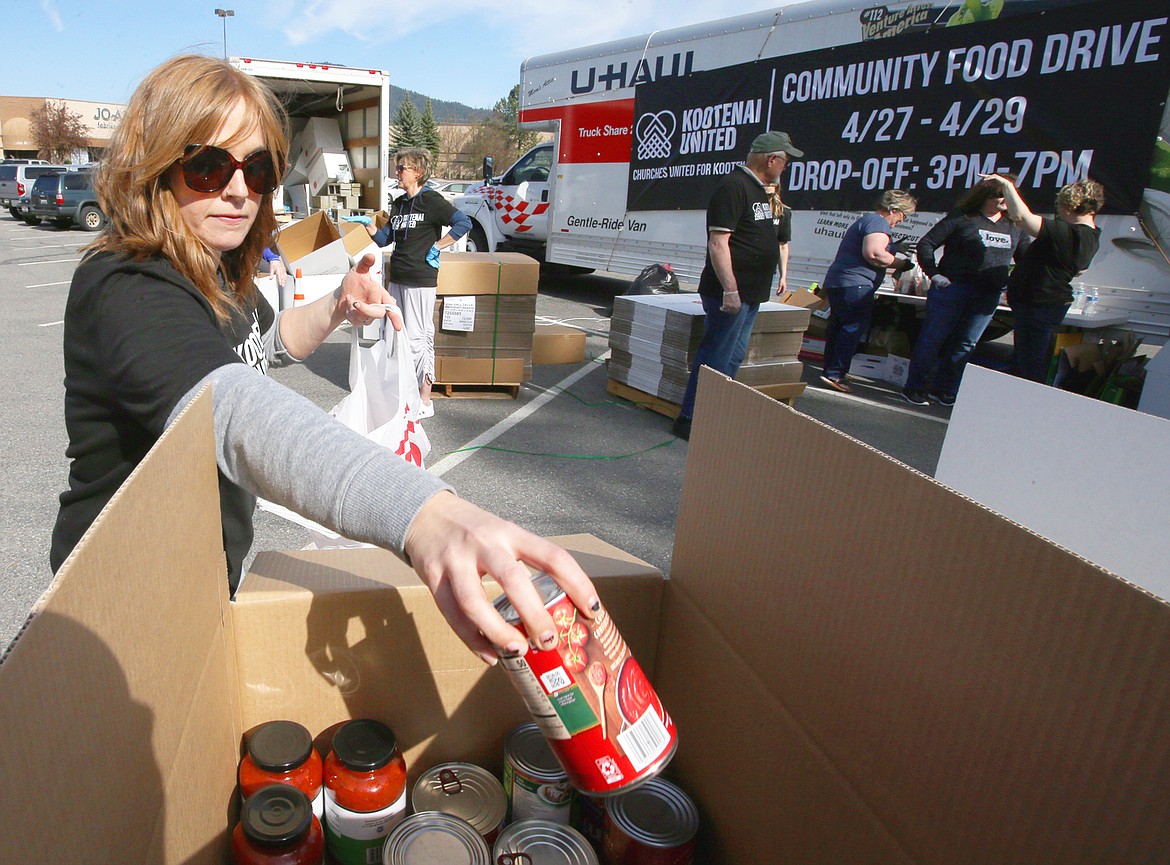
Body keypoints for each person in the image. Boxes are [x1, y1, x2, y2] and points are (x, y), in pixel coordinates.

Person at [49, 55, 598, 666]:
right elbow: (230, 408)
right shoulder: (127, 284)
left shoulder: (214, 265)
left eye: (256, 169)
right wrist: (425, 515)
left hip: (200, 580)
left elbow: (265, 342)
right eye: (208, 166)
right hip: (122, 605)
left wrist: (337, 304)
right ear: (153, 167)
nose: (238, 189)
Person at [672, 130, 804, 441]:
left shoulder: (765, 192)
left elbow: (773, 240)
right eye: (784, 161)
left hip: (752, 293)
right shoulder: (733, 187)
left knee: (733, 356)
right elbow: (718, 243)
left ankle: (717, 413)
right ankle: (690, 419)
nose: (785, 167)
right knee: (715, 357)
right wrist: (730, 290)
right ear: (771, 159)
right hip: (729, 293)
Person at [901, 177, 1029, 406]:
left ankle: (945, 390)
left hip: (988, 294)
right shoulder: (963, 218)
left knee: (966, 343)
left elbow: (1026, 259)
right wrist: (934, 274)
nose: (1004, 200)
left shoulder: (1014, 226)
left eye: (1008, 195)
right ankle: (915, 388)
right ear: (986, 197)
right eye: (1000, 195)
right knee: (933, 339)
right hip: (953, 290)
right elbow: (926, 243)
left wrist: (1014, 284)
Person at [367, 148, 472, 417]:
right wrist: (368, 228)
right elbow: (385, 240)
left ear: (418, 172)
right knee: (395, 336)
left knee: (419, 337)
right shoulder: (400, 203)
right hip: (398, 278)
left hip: (421, 279)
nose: (397, 173)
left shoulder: (432, 201)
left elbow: (463, 222)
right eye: (396, 168)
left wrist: (438, 246)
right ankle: (402, 392)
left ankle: (424, 399)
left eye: (402, 168)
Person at [982, 174, 1104, 383]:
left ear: (1070, 204)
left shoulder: (1069, 233)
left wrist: (1007, 186)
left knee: (1030, 363)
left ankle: (1024, 402)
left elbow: (1022, 217)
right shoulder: (1092, 235)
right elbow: (1080, 270)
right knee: (1028, 359)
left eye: (1061, 205)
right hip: (1041, 304)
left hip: (1040, 304)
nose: (1058, 210)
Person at [819, 190, 917, 392]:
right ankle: (835, 374)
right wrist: (902, 263)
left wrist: (894, 248)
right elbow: (874, 253)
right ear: (893, 209)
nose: (900, 221)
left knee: (839, 327)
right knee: (851, 329)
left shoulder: (868, 221)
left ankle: (831, 370)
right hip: (857, 284)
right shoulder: (877, 222)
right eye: (902, 216)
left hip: (841, 281)